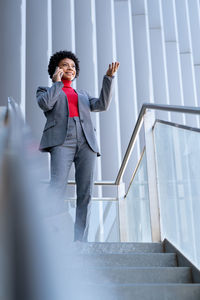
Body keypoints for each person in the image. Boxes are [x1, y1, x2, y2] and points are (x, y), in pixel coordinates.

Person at [36, 50, 119, 242]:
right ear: (56, 68)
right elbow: (45, 104)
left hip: (87, 142)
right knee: (56, 187)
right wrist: (57, 83)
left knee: (86, 193)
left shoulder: (82, 94)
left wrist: (108, 78)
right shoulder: (44, 90)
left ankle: (80, 241)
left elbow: (102, 105)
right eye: (65, 65)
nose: (70, 68)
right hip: (61, 141)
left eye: (73, 66)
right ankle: (51, 238)